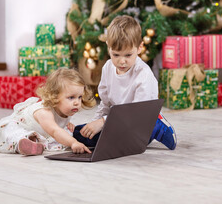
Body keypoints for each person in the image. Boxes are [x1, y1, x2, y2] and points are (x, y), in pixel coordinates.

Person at [67, 15, 177, 150]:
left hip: (138, 120)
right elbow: (105, 104)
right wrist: (94, 124)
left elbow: (136, 113)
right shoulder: (108, 68)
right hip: (116, 121)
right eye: (116, 55)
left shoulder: (143, 75)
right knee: (80, 134)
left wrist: (102, 122)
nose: (122, 61)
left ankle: (157, 126)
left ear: (140, 48)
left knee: (128, 141)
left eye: (128, 55)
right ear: (108, 47)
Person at [0, 68, 96, 156]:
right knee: (14, 133)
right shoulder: (44, 112)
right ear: (55, 96)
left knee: (66, 133)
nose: (77, 102)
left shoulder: (64, 109)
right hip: (18, 126)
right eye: (71, 98)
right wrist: (73, 142)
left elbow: (57, 124)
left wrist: (66, 124)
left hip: (39, 132)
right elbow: (54, 130)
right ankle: (22, 145)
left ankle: (33, 144)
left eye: (79, 97)